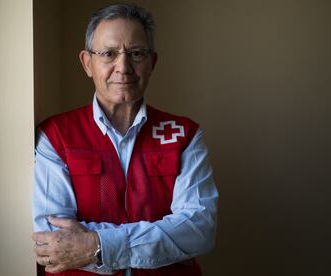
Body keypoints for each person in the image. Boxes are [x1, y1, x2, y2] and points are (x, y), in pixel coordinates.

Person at [32, 3, 218, 276]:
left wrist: (95, 245)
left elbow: (199, 230)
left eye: (136, 53)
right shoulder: (55, 135)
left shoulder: (185, 134)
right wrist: (169, 247)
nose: (124, 66)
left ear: (152, 62)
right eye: (108, 53)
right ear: (87, 63)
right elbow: (51, 241)